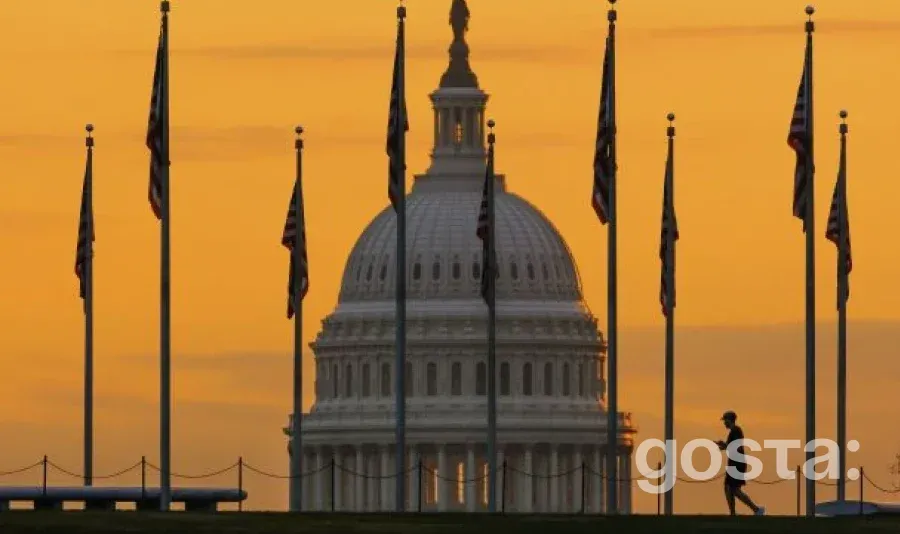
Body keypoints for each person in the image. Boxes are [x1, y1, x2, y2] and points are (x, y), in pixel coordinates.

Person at [716, 411, 765, 516]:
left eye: (725, 420)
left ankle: (756, 509)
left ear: (730, 420)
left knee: (734, 489)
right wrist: (723, 445)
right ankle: (733, 513)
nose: (724, 423)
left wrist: (724, 445)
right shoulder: (734, 431)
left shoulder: (736, 431)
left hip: (737, 463)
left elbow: (734, 446)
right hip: (734, 462)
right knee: (728, 488)